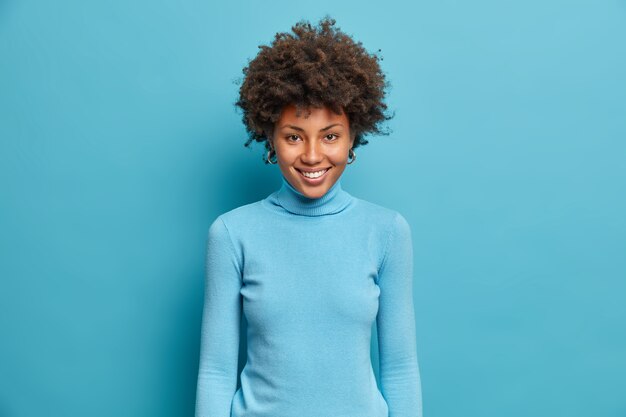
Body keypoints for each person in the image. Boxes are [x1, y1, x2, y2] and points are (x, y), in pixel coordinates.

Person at [195, 16, 423, 417]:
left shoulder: (387, 232)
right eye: (294, 136)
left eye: (330, 135)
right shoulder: (232, 234)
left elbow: (401, 370)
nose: (313, 155)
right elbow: (215, 371)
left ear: (354, 136)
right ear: (271, 138)